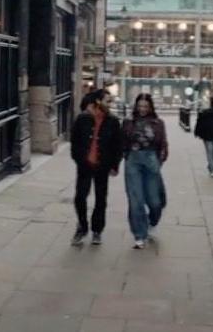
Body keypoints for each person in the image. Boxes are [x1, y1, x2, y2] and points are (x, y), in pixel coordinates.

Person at [69, 89, 123, 246]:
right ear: (98, 101)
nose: (110, 103)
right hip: (85, 165)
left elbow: (117, 145)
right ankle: (82, 226)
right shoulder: (83, 118)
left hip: (103, 165)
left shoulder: (112, 121)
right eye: (107, 100)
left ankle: (97, 230)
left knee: (100, 198)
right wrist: (78, 158)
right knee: (80, 197)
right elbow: (75, 141)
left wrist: (115, 164)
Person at [122, 93, 169, 249]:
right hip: (133, 161)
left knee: (155, 201)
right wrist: (122, 158)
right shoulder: (128, 122)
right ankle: (139, 235)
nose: (142, 109)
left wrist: (159, 161)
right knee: (136, 201)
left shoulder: (158, 123)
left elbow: (163, 144)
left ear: (150, 107)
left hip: (151, 161)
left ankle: (152, 221)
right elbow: (122, 142)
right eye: (140, 106)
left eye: (145, 106)